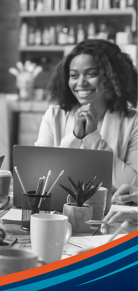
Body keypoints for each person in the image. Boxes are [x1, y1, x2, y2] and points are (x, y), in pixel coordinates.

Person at [35, 39, 138, 191]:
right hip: (58, 212)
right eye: (74, 75)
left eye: (91, 74)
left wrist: (93, 138)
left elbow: (133, 185)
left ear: (111, 76)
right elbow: (39, 177)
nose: (81, 82)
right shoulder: (54, 116)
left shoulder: (132, 121)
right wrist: (75, 137)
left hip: (113, 212)